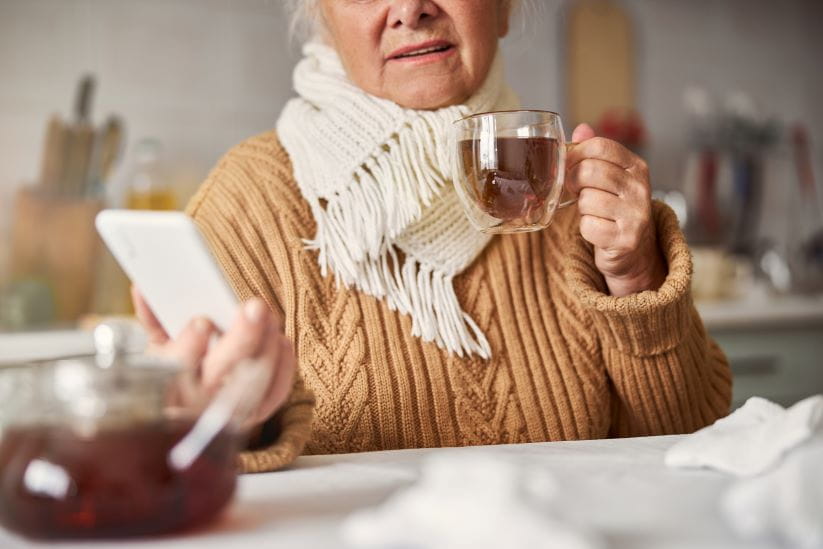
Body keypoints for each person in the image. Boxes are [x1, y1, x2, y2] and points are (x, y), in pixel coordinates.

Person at [134, 0, 731, 473]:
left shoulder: (568, 192)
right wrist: (228, 424)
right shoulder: (248, 205)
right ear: (324, 19)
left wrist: (636, 279)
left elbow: (692, 452)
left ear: (502, 7)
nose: (410, 7)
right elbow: (192, 473)